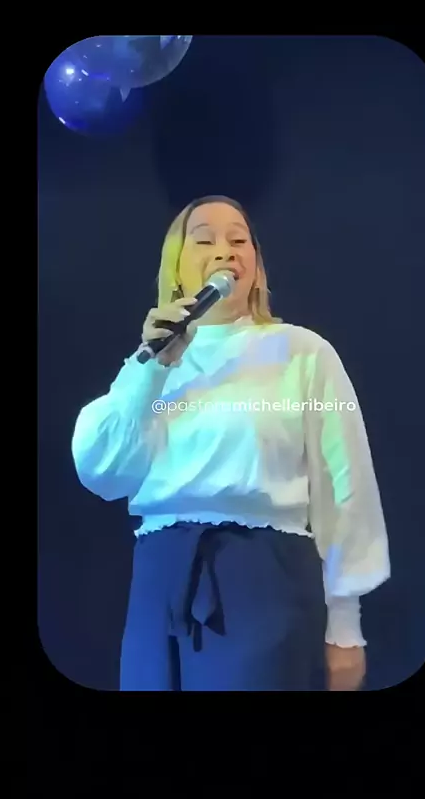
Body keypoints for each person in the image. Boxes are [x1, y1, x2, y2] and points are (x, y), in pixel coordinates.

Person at [71, 195, 390, 691]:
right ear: (177, 269)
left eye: (239, 240)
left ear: (256, 267)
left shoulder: (302, 352)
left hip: (261, 579)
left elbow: (345, 486)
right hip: (159, 581)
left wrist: (345, 627)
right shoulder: (154, 363)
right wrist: (149, 369)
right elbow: (101, 471)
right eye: (204, 240)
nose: (225, 251)